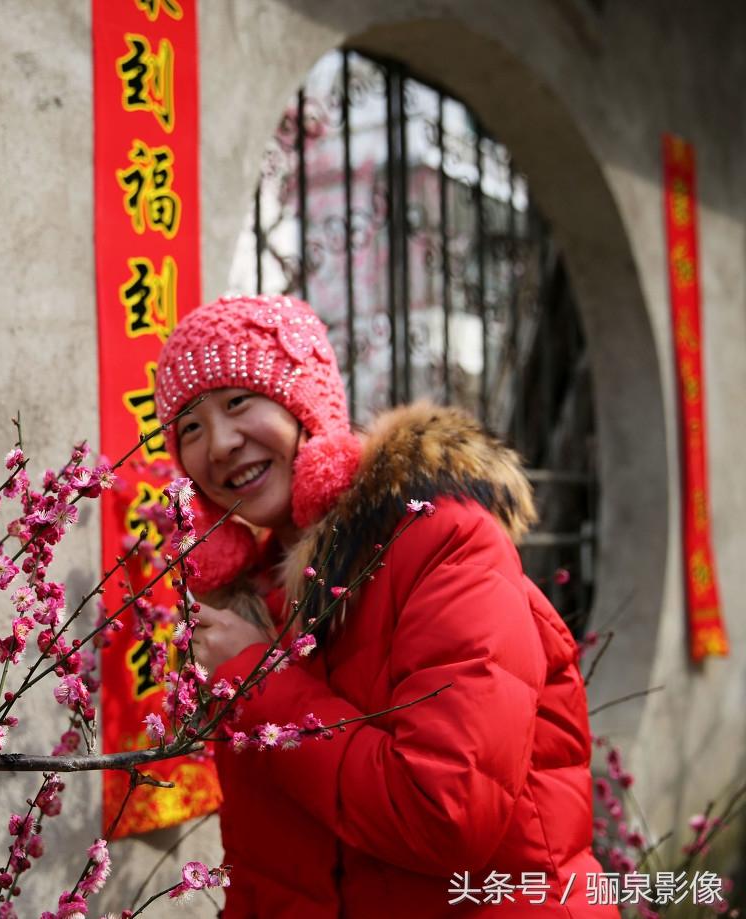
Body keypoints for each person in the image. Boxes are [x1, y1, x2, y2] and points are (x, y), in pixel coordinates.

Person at [154, 293, 617, 918]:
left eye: (238, 402)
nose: (220, 443)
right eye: (190, 428)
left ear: (305, 405)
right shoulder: (251, 608)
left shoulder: (442, 541)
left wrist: (259, 679)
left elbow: (445, 816)